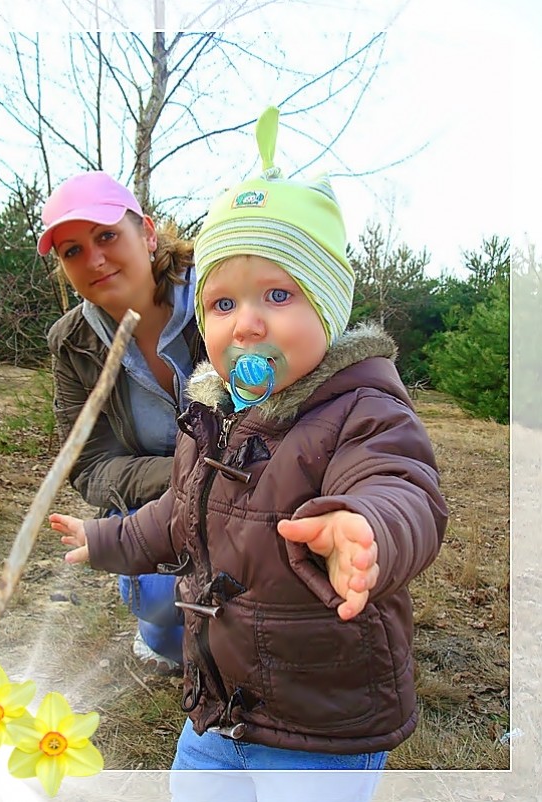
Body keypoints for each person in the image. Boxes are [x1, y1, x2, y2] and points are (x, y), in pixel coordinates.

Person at [49, 107, 448, 776]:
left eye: (278, 295)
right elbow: (176, 512)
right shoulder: (210, 413)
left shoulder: (360, 406)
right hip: (219, 705)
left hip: (322, 716)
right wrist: (106, 540)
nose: (248, 324)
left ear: (328, 305)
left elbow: (401, 484)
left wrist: (368, 526)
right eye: (224, 305)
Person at [38, 170, 205, 673]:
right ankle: (162, 626)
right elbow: (89, 464)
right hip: (153, 507)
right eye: (71, 251)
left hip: (254, 493)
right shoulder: (72, 344)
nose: (93, 259)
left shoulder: (223, 298)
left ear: (148, 234)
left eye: (106, 236)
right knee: (162, 607)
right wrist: (186, 477)